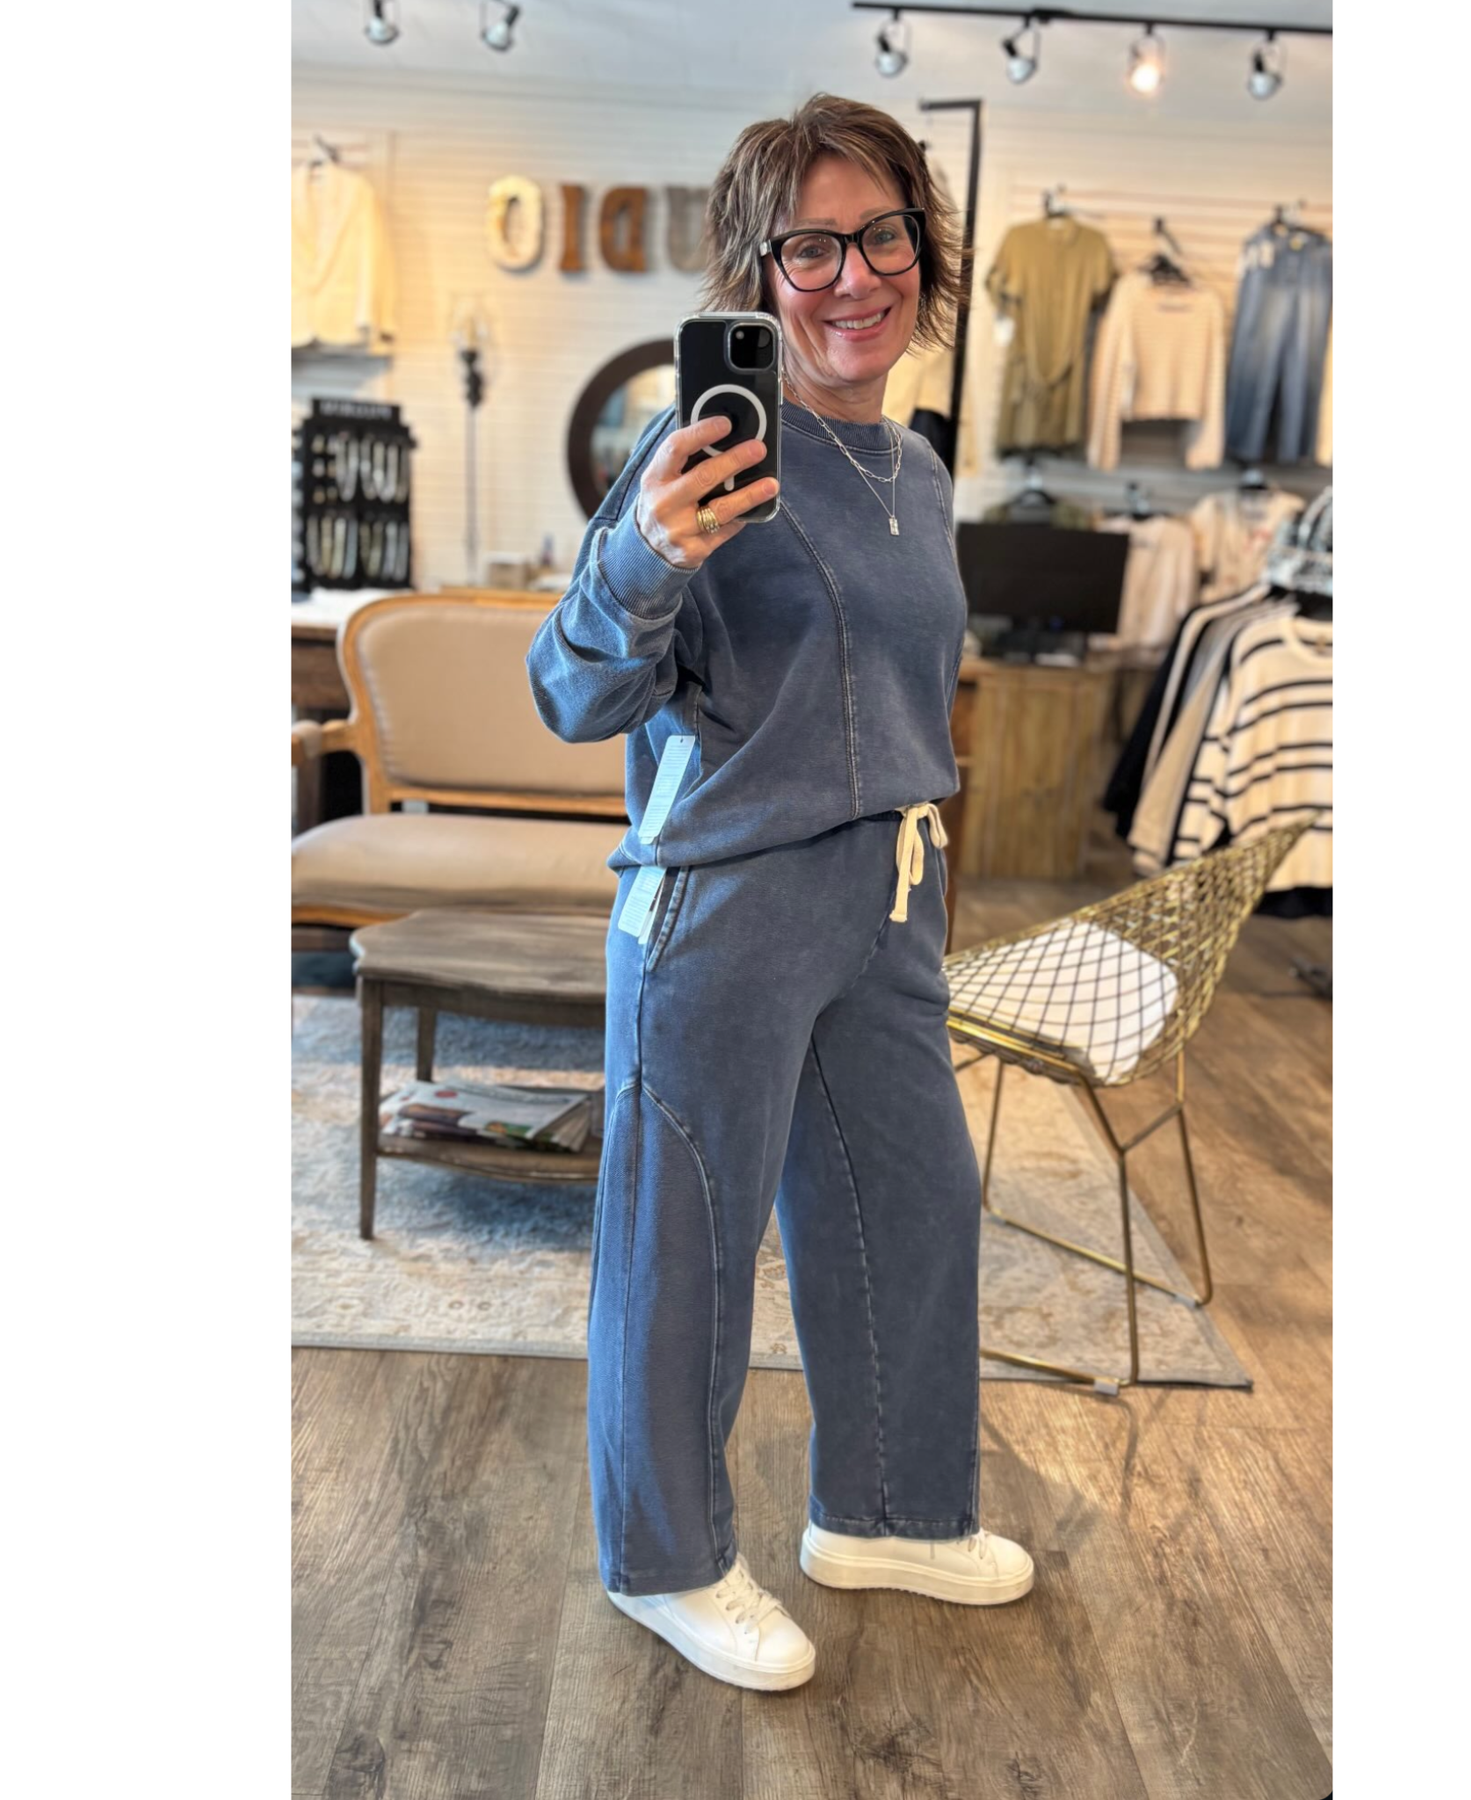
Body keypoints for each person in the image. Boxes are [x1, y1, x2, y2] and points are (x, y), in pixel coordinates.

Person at [526, 93, 1033, 1695]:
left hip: (888, 898)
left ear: (923, 252)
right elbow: (569, 690)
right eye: (809, 245)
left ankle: (886, 1512)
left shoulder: (918, 469)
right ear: (758, 271)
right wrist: (645, 558)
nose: (852, 275)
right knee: (683, 1234)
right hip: (725, 903)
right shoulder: (701, 456)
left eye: (882, 234)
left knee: (915, 1203)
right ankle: (665, 1559)